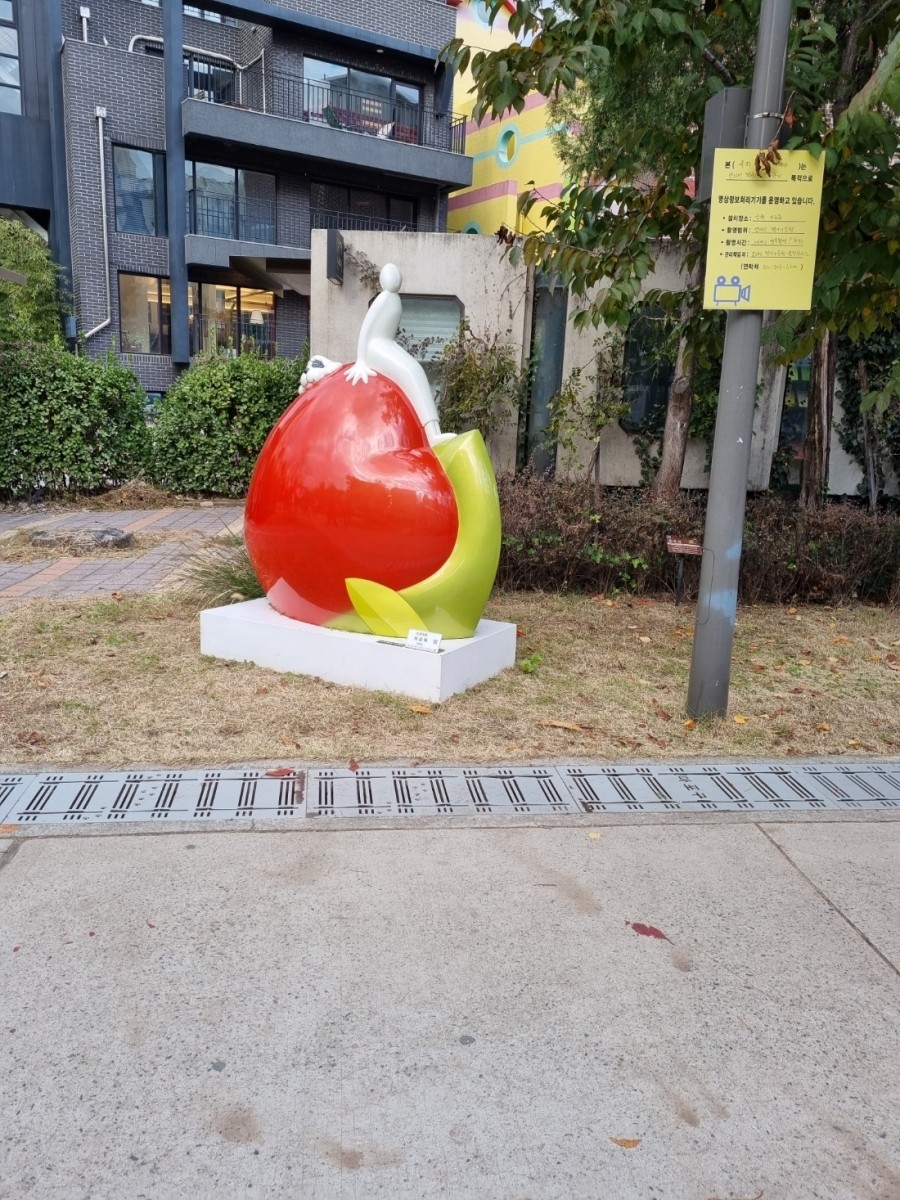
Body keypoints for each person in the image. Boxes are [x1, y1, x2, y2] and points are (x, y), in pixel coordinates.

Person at [298, 264, 454, 446]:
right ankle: (432, 434)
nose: (394, 278)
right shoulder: (383, 299)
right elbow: (366, 329)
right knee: (412, 373)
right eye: (390, 274)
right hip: (376, 349)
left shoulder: (393, 299)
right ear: (383, 278)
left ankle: (433, 432)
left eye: (396, 275)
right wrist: (361, 361)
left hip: (386, 345)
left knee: (415, 371)